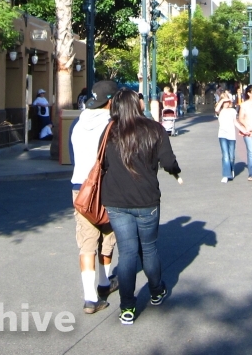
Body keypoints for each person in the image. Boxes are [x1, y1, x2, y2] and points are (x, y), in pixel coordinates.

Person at [101, 88, 182, 325]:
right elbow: (168, 161)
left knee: (126, 252)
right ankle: (156, 290)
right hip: (146, 198)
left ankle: (127, 307)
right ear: (136, 105)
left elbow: (102, 162)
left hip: (116, 199)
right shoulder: (154, 129)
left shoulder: (109, 131)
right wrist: (175, 171)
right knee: (148, 248)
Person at [70, 80, 119, 314]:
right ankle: (104, 282)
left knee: (87, 241)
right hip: (107, 186)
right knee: (107, 235)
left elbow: (73, 156)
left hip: (81, 187)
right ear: (110, 101)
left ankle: (90, 298)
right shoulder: (113, 125)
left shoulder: (77, 123)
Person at [216, 92, 238, 182]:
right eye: (224, 101)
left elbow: (235, 122)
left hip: (231, 135)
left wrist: (244, 130)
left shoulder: (233, 111)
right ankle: (226, 175)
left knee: (231, 156)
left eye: (227, 101)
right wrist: (223, 100)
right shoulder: (220, 111)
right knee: (225, 155)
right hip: (222, 135)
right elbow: (216, 109)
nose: (226, 103)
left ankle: (231, 169)